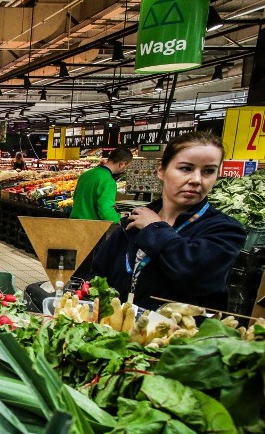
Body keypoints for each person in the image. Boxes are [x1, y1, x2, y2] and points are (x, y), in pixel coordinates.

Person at [91, 131, 245, 311]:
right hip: (119, 333)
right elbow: (97, 276)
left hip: (181, 337)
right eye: (186, 168)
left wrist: (154, 228)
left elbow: (193, 273)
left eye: (208, 171)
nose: (196, 180)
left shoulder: (225, 230)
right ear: (161, 170)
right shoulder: (133, 222)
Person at [70, 147, 133, 223]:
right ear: (122, 164)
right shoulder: (108, 181)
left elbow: (76, 197)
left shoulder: (86, 174)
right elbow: (105, 211)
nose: (125, 169)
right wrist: (119, 218)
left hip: (74, 223)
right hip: (91, 227)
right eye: (126, 167)